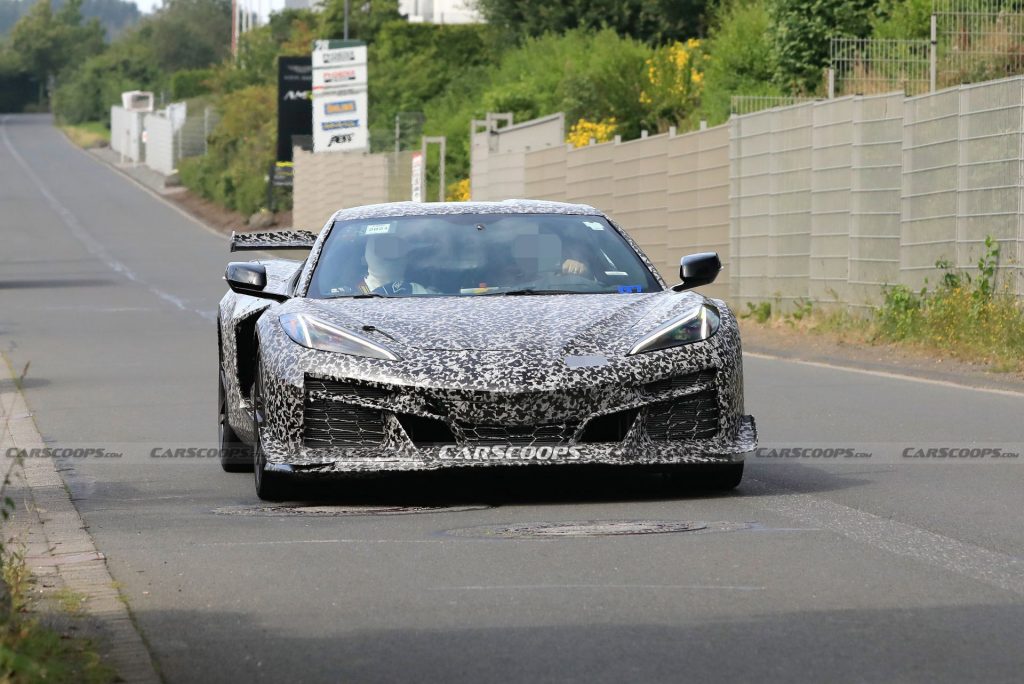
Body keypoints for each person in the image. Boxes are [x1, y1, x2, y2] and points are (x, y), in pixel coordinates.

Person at [353, 233, 431, 295]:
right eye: (381, 246)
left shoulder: (422, 291)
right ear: (364, 258)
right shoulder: (351, 294)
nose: (387, 251)